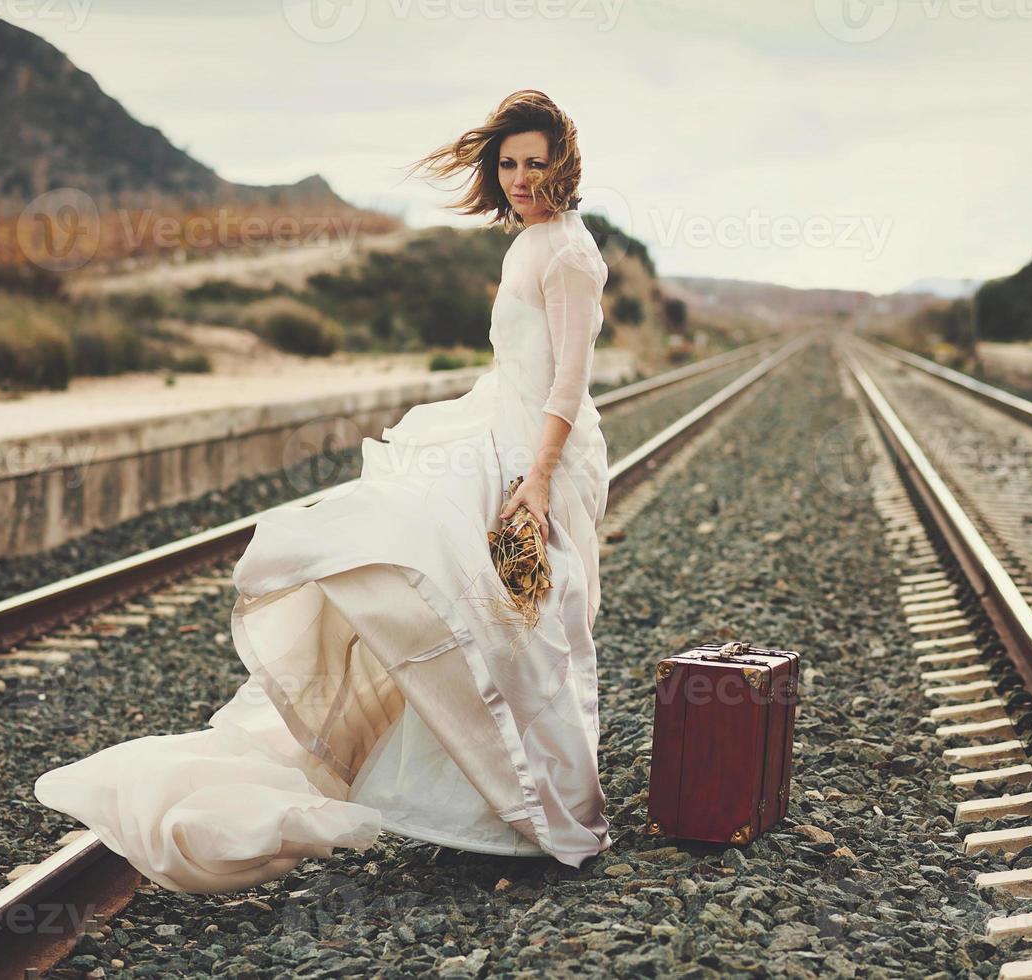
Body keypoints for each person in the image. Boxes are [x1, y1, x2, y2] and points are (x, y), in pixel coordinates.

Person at [34, 89, 615, 893]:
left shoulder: (570, 257)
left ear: (563, 165)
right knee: (487, 611)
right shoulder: (530, 243)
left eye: (534, 163)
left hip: (542, 457)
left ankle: (543, 808)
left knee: (535, 622)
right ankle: (510, 810)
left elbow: (568, 386)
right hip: (501, 441)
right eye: (508, 163)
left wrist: (537, 481)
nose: (518, 177)